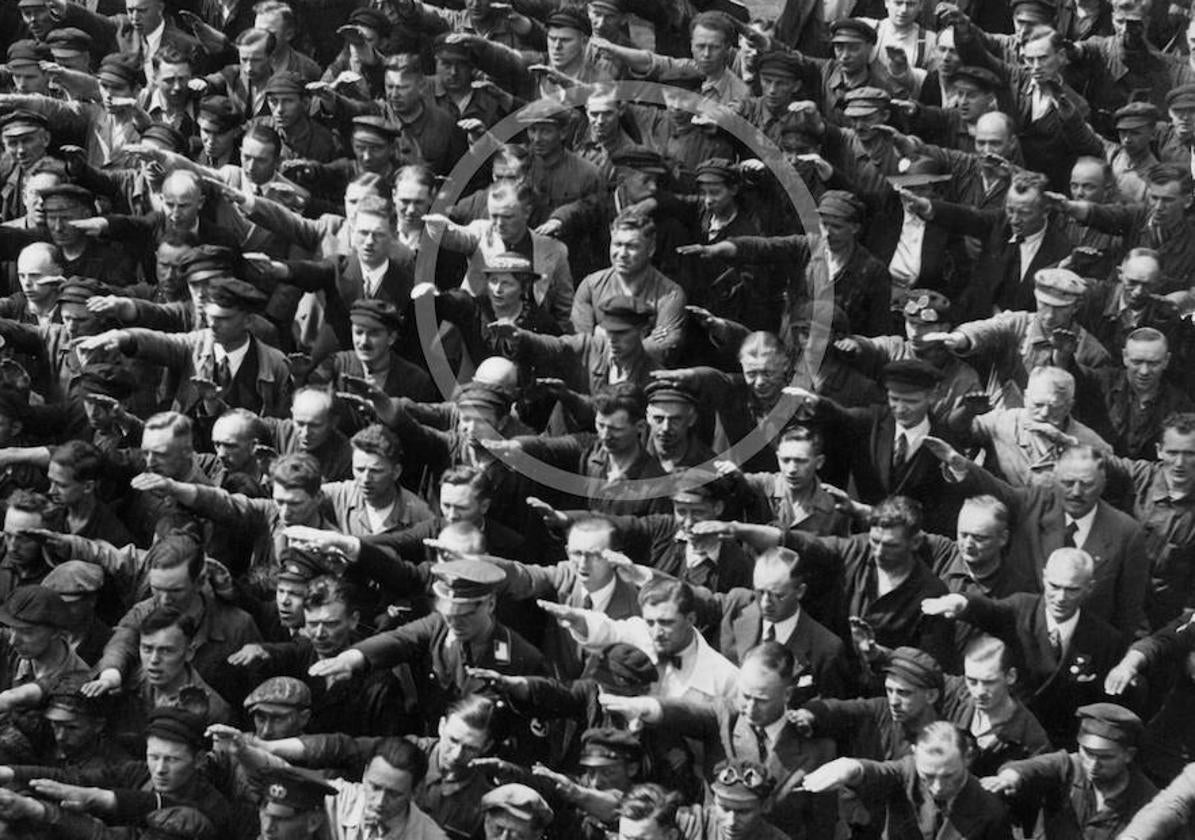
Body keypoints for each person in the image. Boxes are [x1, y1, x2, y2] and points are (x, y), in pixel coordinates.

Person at [800, 720, 1013, 840]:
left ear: (967, 758)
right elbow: (878, 772)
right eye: (928, 777)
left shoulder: (990, 811)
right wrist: (850, 767)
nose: (938, 787)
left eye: (950, 776)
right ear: (914, 754)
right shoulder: (907, 772)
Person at [984, 703, 1156, 840]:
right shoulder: (1069, 767)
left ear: (1129, 755)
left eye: (1105, 757)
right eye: (1088, 753)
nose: (1093, 764)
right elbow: (1035, 768)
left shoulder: (1147, 800)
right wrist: (1009, 778)